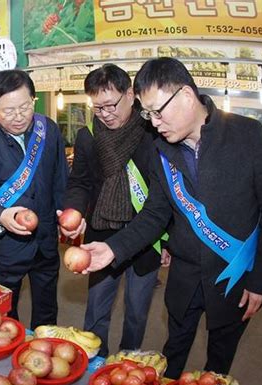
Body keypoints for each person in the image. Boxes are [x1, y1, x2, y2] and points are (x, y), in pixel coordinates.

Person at [83, 57, 262, 378]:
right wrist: (113, 249)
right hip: (185, 278)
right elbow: (155, 213)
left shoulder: (246, 134)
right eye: (147, 114)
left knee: (218, 363)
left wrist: (260, 281)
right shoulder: (162, 148)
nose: (154, 123)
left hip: (234, 276)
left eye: (158, 112)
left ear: (187, 96)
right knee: (172, 354)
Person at [58, 64, 167, 358]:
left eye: (111, 105)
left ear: (130, 95)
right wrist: (75, 211)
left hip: (145, 238)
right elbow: (79, 182)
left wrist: (168, 240)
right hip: (101, 235)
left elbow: (166, 195)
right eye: (98, 107)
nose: (105, 114)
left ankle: (126, 365)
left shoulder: (154, 132)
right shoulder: (88, 136)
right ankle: (95, 365)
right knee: (96, 311)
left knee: (137, 312)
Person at [0, 70, 69, 329]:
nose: (19, 116)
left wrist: (64, 214)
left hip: (45, 239)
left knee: (47, 309)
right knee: (4, 316)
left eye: (25, 106)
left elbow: (60, 178)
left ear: (33, 98)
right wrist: (0, 216)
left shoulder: (49, 130)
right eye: (8, 111)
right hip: (4, 245)